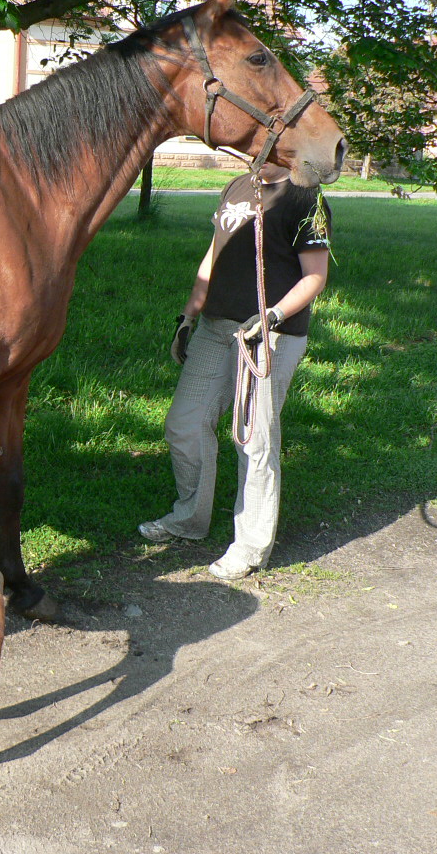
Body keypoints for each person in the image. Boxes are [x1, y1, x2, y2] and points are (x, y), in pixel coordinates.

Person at [139, 162, 331, 580]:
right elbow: (215, 253)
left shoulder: (305, 197)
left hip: (270, 336)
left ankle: (250, 547)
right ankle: (189, 520)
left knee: (255, 440)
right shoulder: (239, 185)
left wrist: (273, 316)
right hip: (216, 327)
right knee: (184, 424)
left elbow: (316, 276)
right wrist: (188, 316)